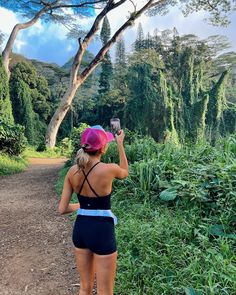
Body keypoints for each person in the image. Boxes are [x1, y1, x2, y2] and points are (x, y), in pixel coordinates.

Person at [58, 125, 128, 295]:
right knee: (105, 291)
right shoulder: (109, 169)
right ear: (103, 148)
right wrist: (120, 144)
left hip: (81, 229)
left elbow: (62, 209)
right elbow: (125, 172)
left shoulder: (72, 171)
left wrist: (82, 206)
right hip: (102, 230)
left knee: (84, 288)